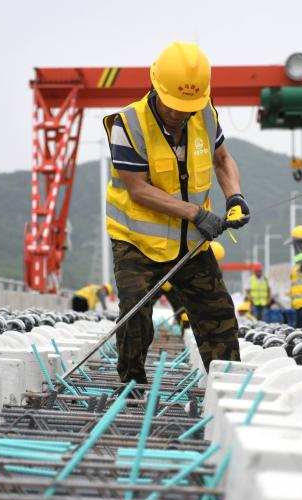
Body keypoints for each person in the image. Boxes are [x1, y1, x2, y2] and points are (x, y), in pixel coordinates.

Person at [103, 42, 249, 383]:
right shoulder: (129, 123)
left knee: (218, 313)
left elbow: (223, 160)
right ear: (156, 87)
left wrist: (235, 197)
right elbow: (138, 189)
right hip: (138, 241)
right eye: (174, 106)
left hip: (190, 243)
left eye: (188, 108)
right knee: (135, 311)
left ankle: (227, 386)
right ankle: (131, 384)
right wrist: (196, 213)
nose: (180, 114)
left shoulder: (205, 114)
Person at [161, 241, 226, 331]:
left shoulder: (204, 264)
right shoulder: (203, 267)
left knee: (185, 312)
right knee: (183, 312)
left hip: (172, 287)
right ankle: (186, 330)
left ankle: (186, 330)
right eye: (219, 260)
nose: (220, 263)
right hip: (172, 288)